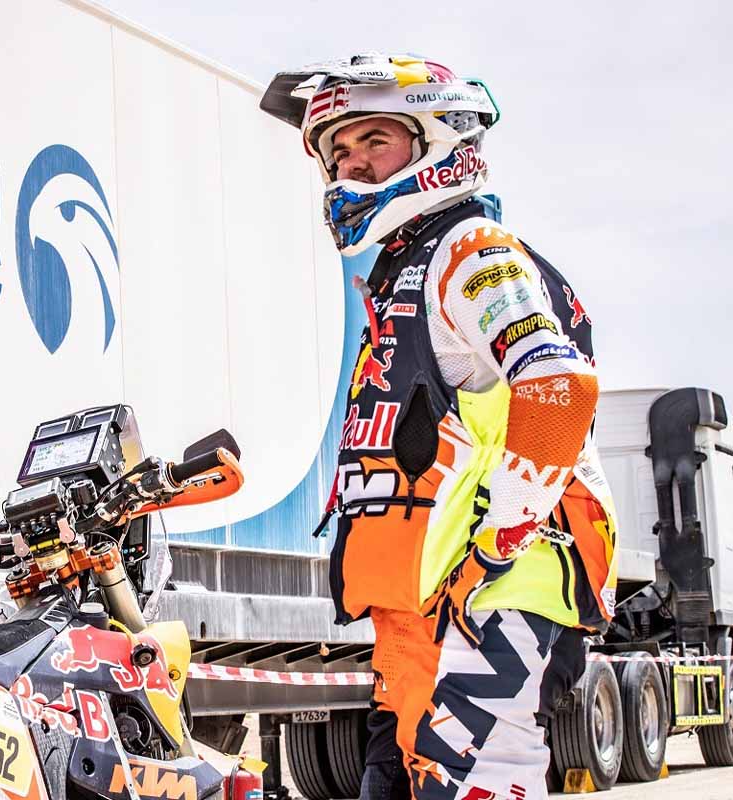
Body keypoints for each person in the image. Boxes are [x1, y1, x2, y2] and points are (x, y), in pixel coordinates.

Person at [261, 55, 618, 800]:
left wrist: (499, 542)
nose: (350, 165)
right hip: (424, 608)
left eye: (373, 140)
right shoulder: (406, 266)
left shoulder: (472, 250)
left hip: (491, 597)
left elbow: (558, 385)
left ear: (439, 140)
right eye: (337, 152)